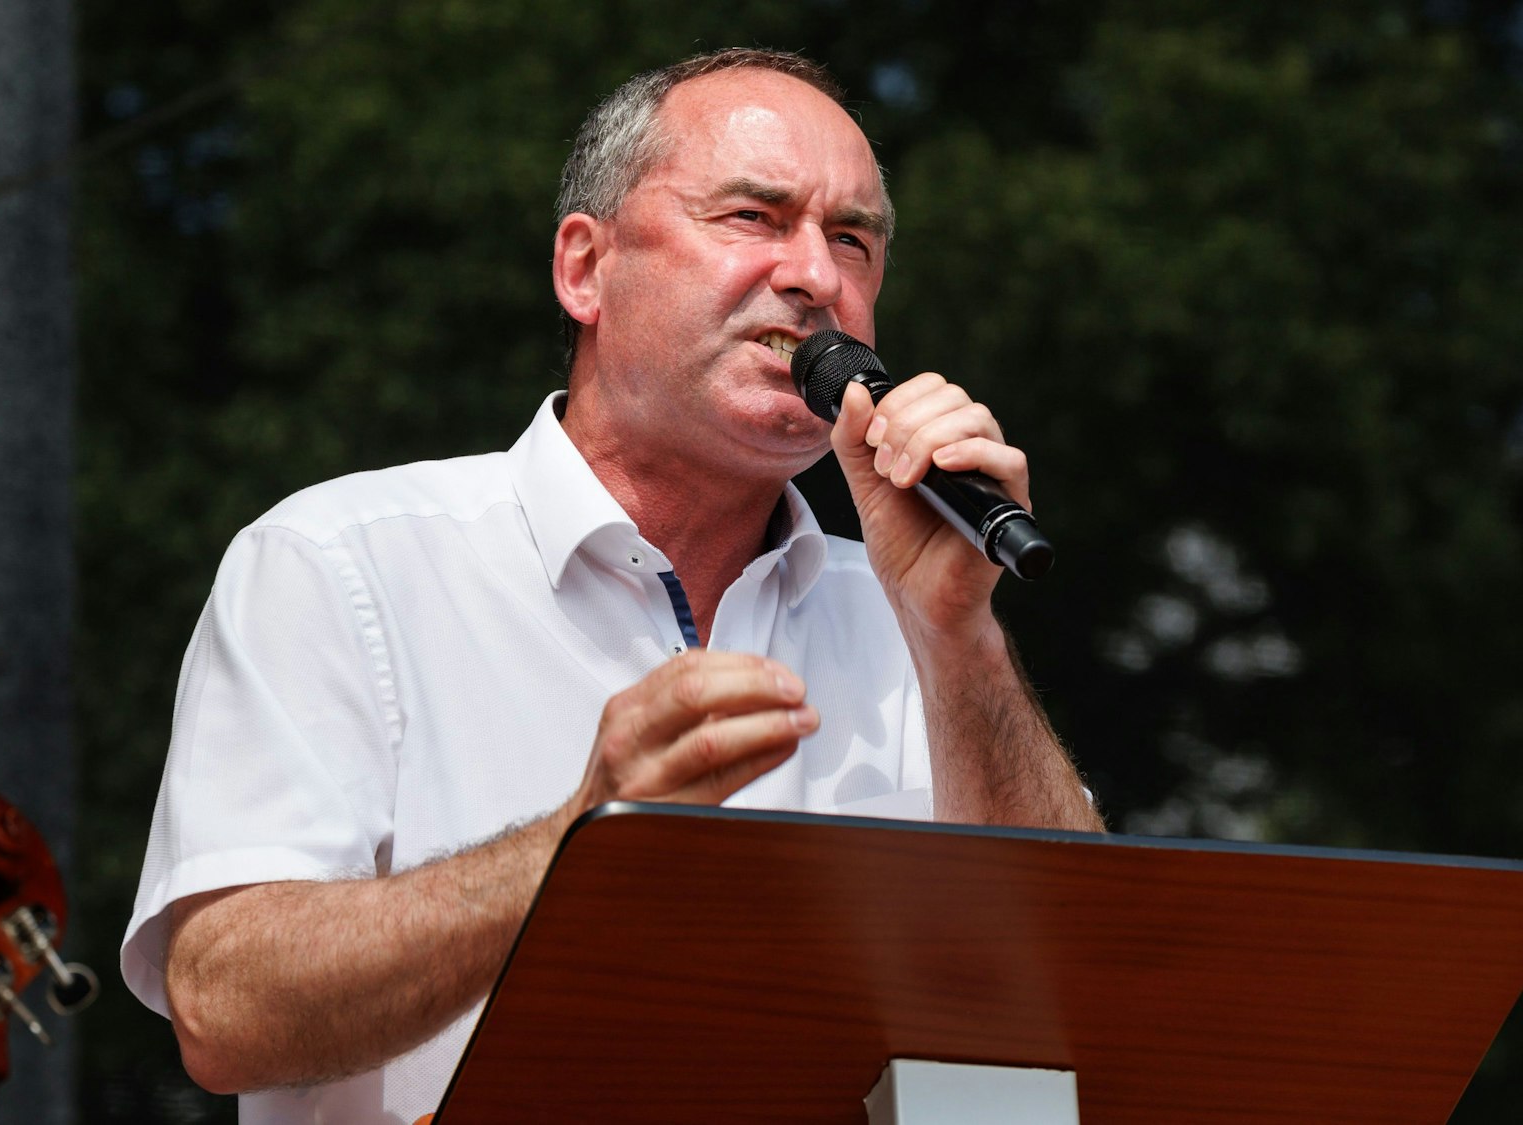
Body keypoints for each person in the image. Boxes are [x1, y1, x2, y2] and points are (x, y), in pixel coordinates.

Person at [120, 48, 1103, 1123]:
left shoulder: (918, 614)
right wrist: (586, 844)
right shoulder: (343, 560)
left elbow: (1088, 998)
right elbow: (226, 1012)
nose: (815, 277)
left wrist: (960, 638)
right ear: (584, 268)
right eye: (751, 217)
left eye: (852, 240)